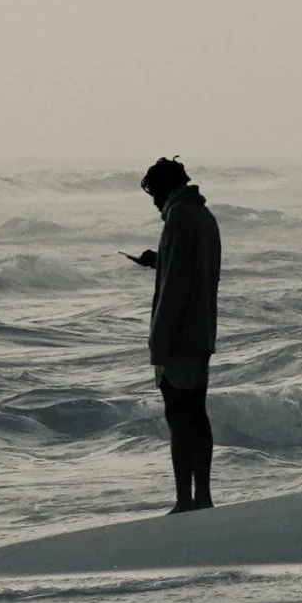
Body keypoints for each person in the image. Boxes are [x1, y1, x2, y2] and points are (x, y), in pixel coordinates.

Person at [126, 157, 221, 514]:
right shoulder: (203, 215)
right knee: (197, 413)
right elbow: (194, 267)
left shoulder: (179, 216)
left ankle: (184, 499)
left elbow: (176, 287)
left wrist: (158, 339)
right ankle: (204, 496)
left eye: (153, 194)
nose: (153, 203)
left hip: (179, 336)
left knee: (179, 418)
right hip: (202, 330)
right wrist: (159, 259)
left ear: (163, 188)